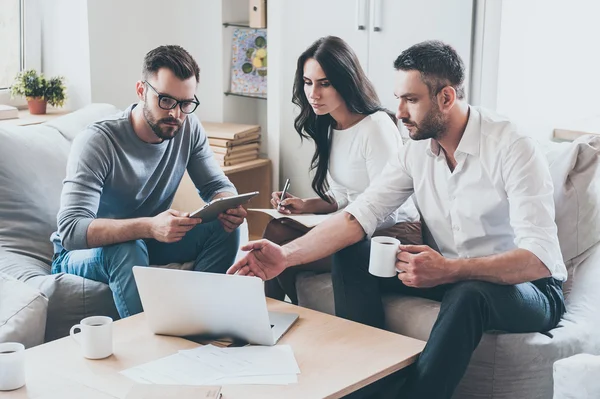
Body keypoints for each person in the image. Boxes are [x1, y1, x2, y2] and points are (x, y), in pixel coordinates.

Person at [228, 40, 567, 399]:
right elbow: (358, 216)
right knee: (352, 251)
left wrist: (449, 270)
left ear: (446, 98)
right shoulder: (416, 149)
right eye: (398, 98)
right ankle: (366, 379)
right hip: (448, 272)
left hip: (529, 290)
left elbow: (540, 259)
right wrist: (286, 256)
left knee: (470, 294)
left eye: (411, 99)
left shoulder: (512, 147)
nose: (399, 112)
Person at [51, 45, 247, 318]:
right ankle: (152, 349)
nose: (176, 114)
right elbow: (72, 230)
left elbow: (216, 186)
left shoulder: (187, 127)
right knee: (126, 246)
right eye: (165, 100)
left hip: (148, 240)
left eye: (186, 103)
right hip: (81, 253)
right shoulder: (97, 142)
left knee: (224, 227)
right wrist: (149, 227)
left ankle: (203, 320)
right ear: (142, 91)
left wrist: (227, 204)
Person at [264, 36, 420, 304]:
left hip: (394, 230)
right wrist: (304, 205)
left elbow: (388, 208)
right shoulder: (329, 126)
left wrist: (333, 225)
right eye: (308, 82)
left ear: (346, 81)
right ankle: (272, 316)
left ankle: (285, 315)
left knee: (282, 250)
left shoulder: (376, 126)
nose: (313, 94)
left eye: (325, 84)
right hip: (352, 223)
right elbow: (343, 195)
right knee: (276, 230)